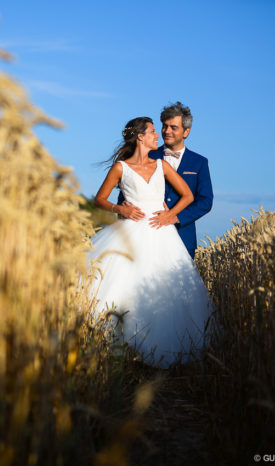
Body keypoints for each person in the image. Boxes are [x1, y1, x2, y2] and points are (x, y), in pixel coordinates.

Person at [88, 116, 212, 368]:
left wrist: (170, 215)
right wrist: (119, 209)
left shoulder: (162, 165)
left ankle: (164, 349)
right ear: (140, 137)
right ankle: (121, 344)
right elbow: (99, 199)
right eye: (154, 131)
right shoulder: (121, 168)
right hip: (130, 230)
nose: (159, 135)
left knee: (166, 287)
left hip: (161, 232)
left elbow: (188, 195)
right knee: (126, 283)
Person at [118, 102, 213, 259]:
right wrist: (123, 206)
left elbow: (205, 201)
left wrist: (175, 217)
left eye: (173, 127)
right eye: (164, 126)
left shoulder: (199, 162)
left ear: (186, 132)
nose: (167, 131)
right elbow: (127, 188)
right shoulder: (146, 155)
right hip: (144, 235)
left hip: (183, 237)